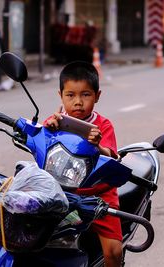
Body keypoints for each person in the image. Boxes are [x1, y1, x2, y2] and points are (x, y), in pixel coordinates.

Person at [43, 61, 122, 267]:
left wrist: (97, 146)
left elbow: (111, 157)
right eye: (70, 95)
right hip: (65, 191)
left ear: (97, 96)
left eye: (85, 95)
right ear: (60, 95)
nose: (78, 102)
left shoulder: (103, 125)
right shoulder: (56, 122)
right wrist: (49, 130)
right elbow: (40, 143)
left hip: (99, 195)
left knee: (113, 251)